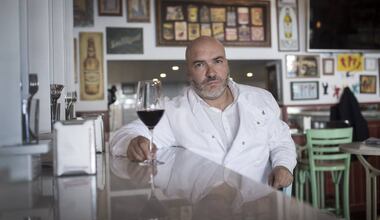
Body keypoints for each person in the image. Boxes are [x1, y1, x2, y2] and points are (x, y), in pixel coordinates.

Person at [109, 36, 296, 189]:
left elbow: (281, 141)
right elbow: (121, 136)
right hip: (205, 207)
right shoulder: (175, 112)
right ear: (188, 72)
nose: (211, 72)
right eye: (200, 65)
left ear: (227, 64)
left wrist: (283, 166)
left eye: (217, 61)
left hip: (258, 204)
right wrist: (132, 143)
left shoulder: (261, 98)